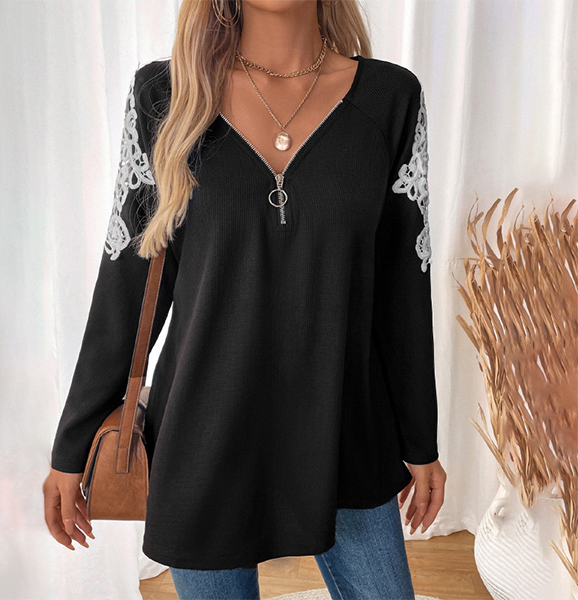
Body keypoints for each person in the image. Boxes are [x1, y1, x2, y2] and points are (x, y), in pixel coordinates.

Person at [43, 0, 447, 598]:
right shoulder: (165, 96)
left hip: (346, 432)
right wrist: (72, 444)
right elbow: (126, 285)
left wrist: (420, 438)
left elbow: (403, 291)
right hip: (202, 442)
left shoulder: (390, 98)